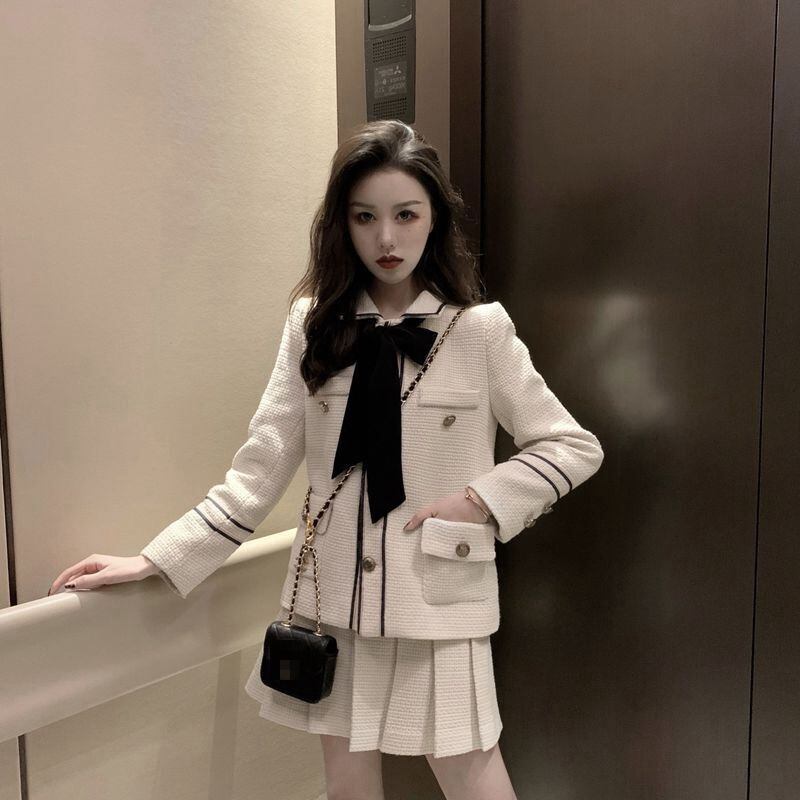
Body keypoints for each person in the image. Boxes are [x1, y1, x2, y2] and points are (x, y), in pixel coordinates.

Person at [49, 120, 604, 800]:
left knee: (475, 781)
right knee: (347, 787)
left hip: (439, 599)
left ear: (434, 217)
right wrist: (156, 559)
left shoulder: (479, 331)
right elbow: (258, 471)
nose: (386, 238)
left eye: (406, 214)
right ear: (343, 223)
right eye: (365, 217)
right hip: (332, 604)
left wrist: (480, 500)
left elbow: (570, 445)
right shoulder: (312, 326)